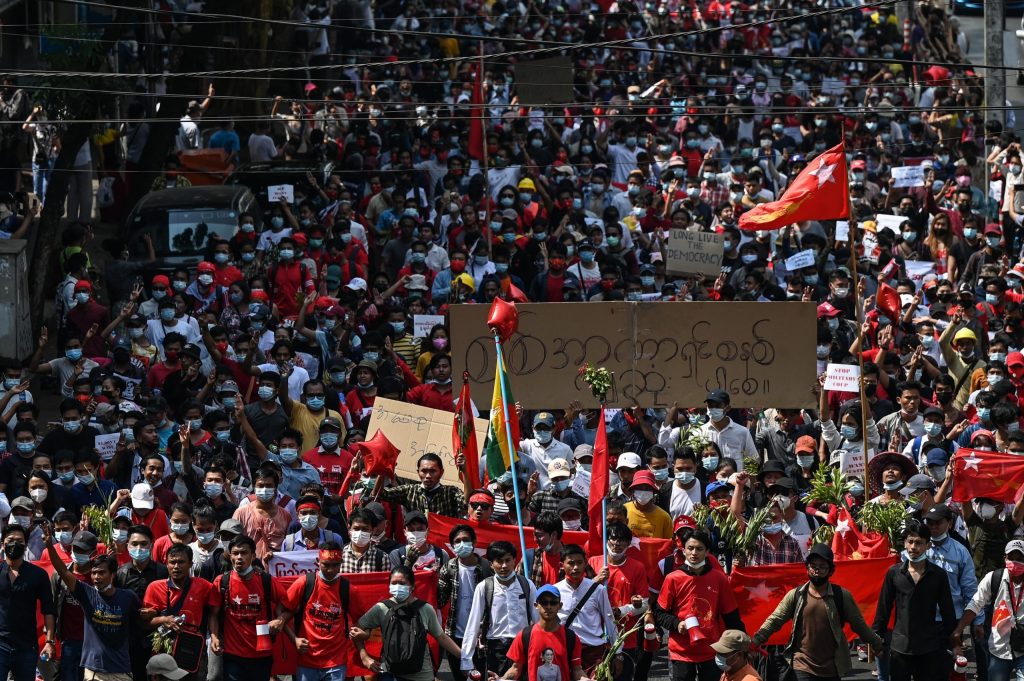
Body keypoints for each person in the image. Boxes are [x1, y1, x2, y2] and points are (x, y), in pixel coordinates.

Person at [753, 544, 885, 681]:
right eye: (813, 566)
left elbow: (859, 624)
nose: (817, 570)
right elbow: (775, 619)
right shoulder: (796, 595)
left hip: (832, 667)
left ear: (831, 571)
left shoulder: (842, 596)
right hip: (802, 665)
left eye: (822, 567)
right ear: (807, 568)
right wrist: (755, 641)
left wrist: (877, 644)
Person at [44, 523, 139, 680]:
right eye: (94, 573)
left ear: (113, 574)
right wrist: (49, 546)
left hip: (118, 666)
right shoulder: (87, 592)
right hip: (84, 658)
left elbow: (139, 621)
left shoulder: (128, 597)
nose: (96, 577)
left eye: (101, 573)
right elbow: (63, 571)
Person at [654, 530, 745, 681]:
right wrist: (677, 624)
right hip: (681, 652)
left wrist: (743, 645)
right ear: (683, 550)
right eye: (690, 548)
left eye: (699, 549)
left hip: (712, 650)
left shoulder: (718, 578)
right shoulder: (672, 579)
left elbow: (731, 615)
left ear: (707, 552)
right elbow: (659, 613)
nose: (694, 553)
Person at [873, 520, 957, 681]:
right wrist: (877, 638)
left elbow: (948, 611)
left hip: (928, 647)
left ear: (928, 545)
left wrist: (954, 643)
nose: (913, 547)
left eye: (918, 543)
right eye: (910, 542)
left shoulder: (938, 575)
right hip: (900, 647)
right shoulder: (894, 573)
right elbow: (884, 608)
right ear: (905, 543)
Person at [351, 565, 463, 681]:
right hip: (390, 673)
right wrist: (365, 658)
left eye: (402, 583)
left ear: (412, 586)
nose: (397, 587)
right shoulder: (381, 608)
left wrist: (464, 657)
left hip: (421, 675)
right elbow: (356, 630)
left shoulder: (425, 609)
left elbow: (441, 637)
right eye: (394, 583)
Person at [209, 535, 285, 681]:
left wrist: (280, 619)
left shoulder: (266, 580)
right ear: (230, 556)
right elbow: (213, 614)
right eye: (235, 553)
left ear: (253, 556)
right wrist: (214, 637)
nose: (239, 557)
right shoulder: (221, 582)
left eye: (244, 553)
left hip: (262, 655)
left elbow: (289, 604)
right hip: (233, 656)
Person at [460, 540, 536, 678]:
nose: (504, 566)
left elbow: (538, 620)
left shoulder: (527, 585)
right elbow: (473, 624)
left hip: (523, 649)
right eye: (499, 561)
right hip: (496, 651)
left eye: (508, 560)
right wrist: (466, 660)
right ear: (491, 564)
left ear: (514, 560)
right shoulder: (484, 587)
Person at [952, 539, 1024, 681]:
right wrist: (959, 630)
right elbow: (975, 604)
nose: (1015, 562)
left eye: (1020, 559)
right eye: (1011, 557)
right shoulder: (993, 578)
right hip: (999, 649)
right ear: (1005, 558)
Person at [282, 540, 352, 681]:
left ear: (341, 563)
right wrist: (294, 639)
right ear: (318, 562)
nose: (330, 570)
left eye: (335, 565)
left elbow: (362, 619)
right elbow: (281, 611)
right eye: (326, 565)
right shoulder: (304, 583)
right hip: (307, 661)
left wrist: (360, 636)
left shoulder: (348, 589)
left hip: (336, 662)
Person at [0, 523, 56, 678]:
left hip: (26, 646)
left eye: (20, 541)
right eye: (11, 540)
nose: (15, 544)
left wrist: (49, 642)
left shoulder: (38, 574)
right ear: (3, 544)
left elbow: (49, 609)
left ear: (25, 545)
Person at [499, 584, 586, 681]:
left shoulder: (571, 637)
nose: (548, 606)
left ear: (560, 606)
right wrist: (502, 679)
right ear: (536, 605)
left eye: (553, 603)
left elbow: (577, 670)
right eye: (544, 602)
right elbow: (516, 668)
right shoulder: (524, 635)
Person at [554, 544, 617, 675]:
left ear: (586, 563)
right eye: (571, 563)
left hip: (593, 652)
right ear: (561, 565)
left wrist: (618, 653)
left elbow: (609, 620)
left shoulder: (598, 590)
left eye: (579, 562)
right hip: (564, 651)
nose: (575, 567)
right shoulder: (555, 591)